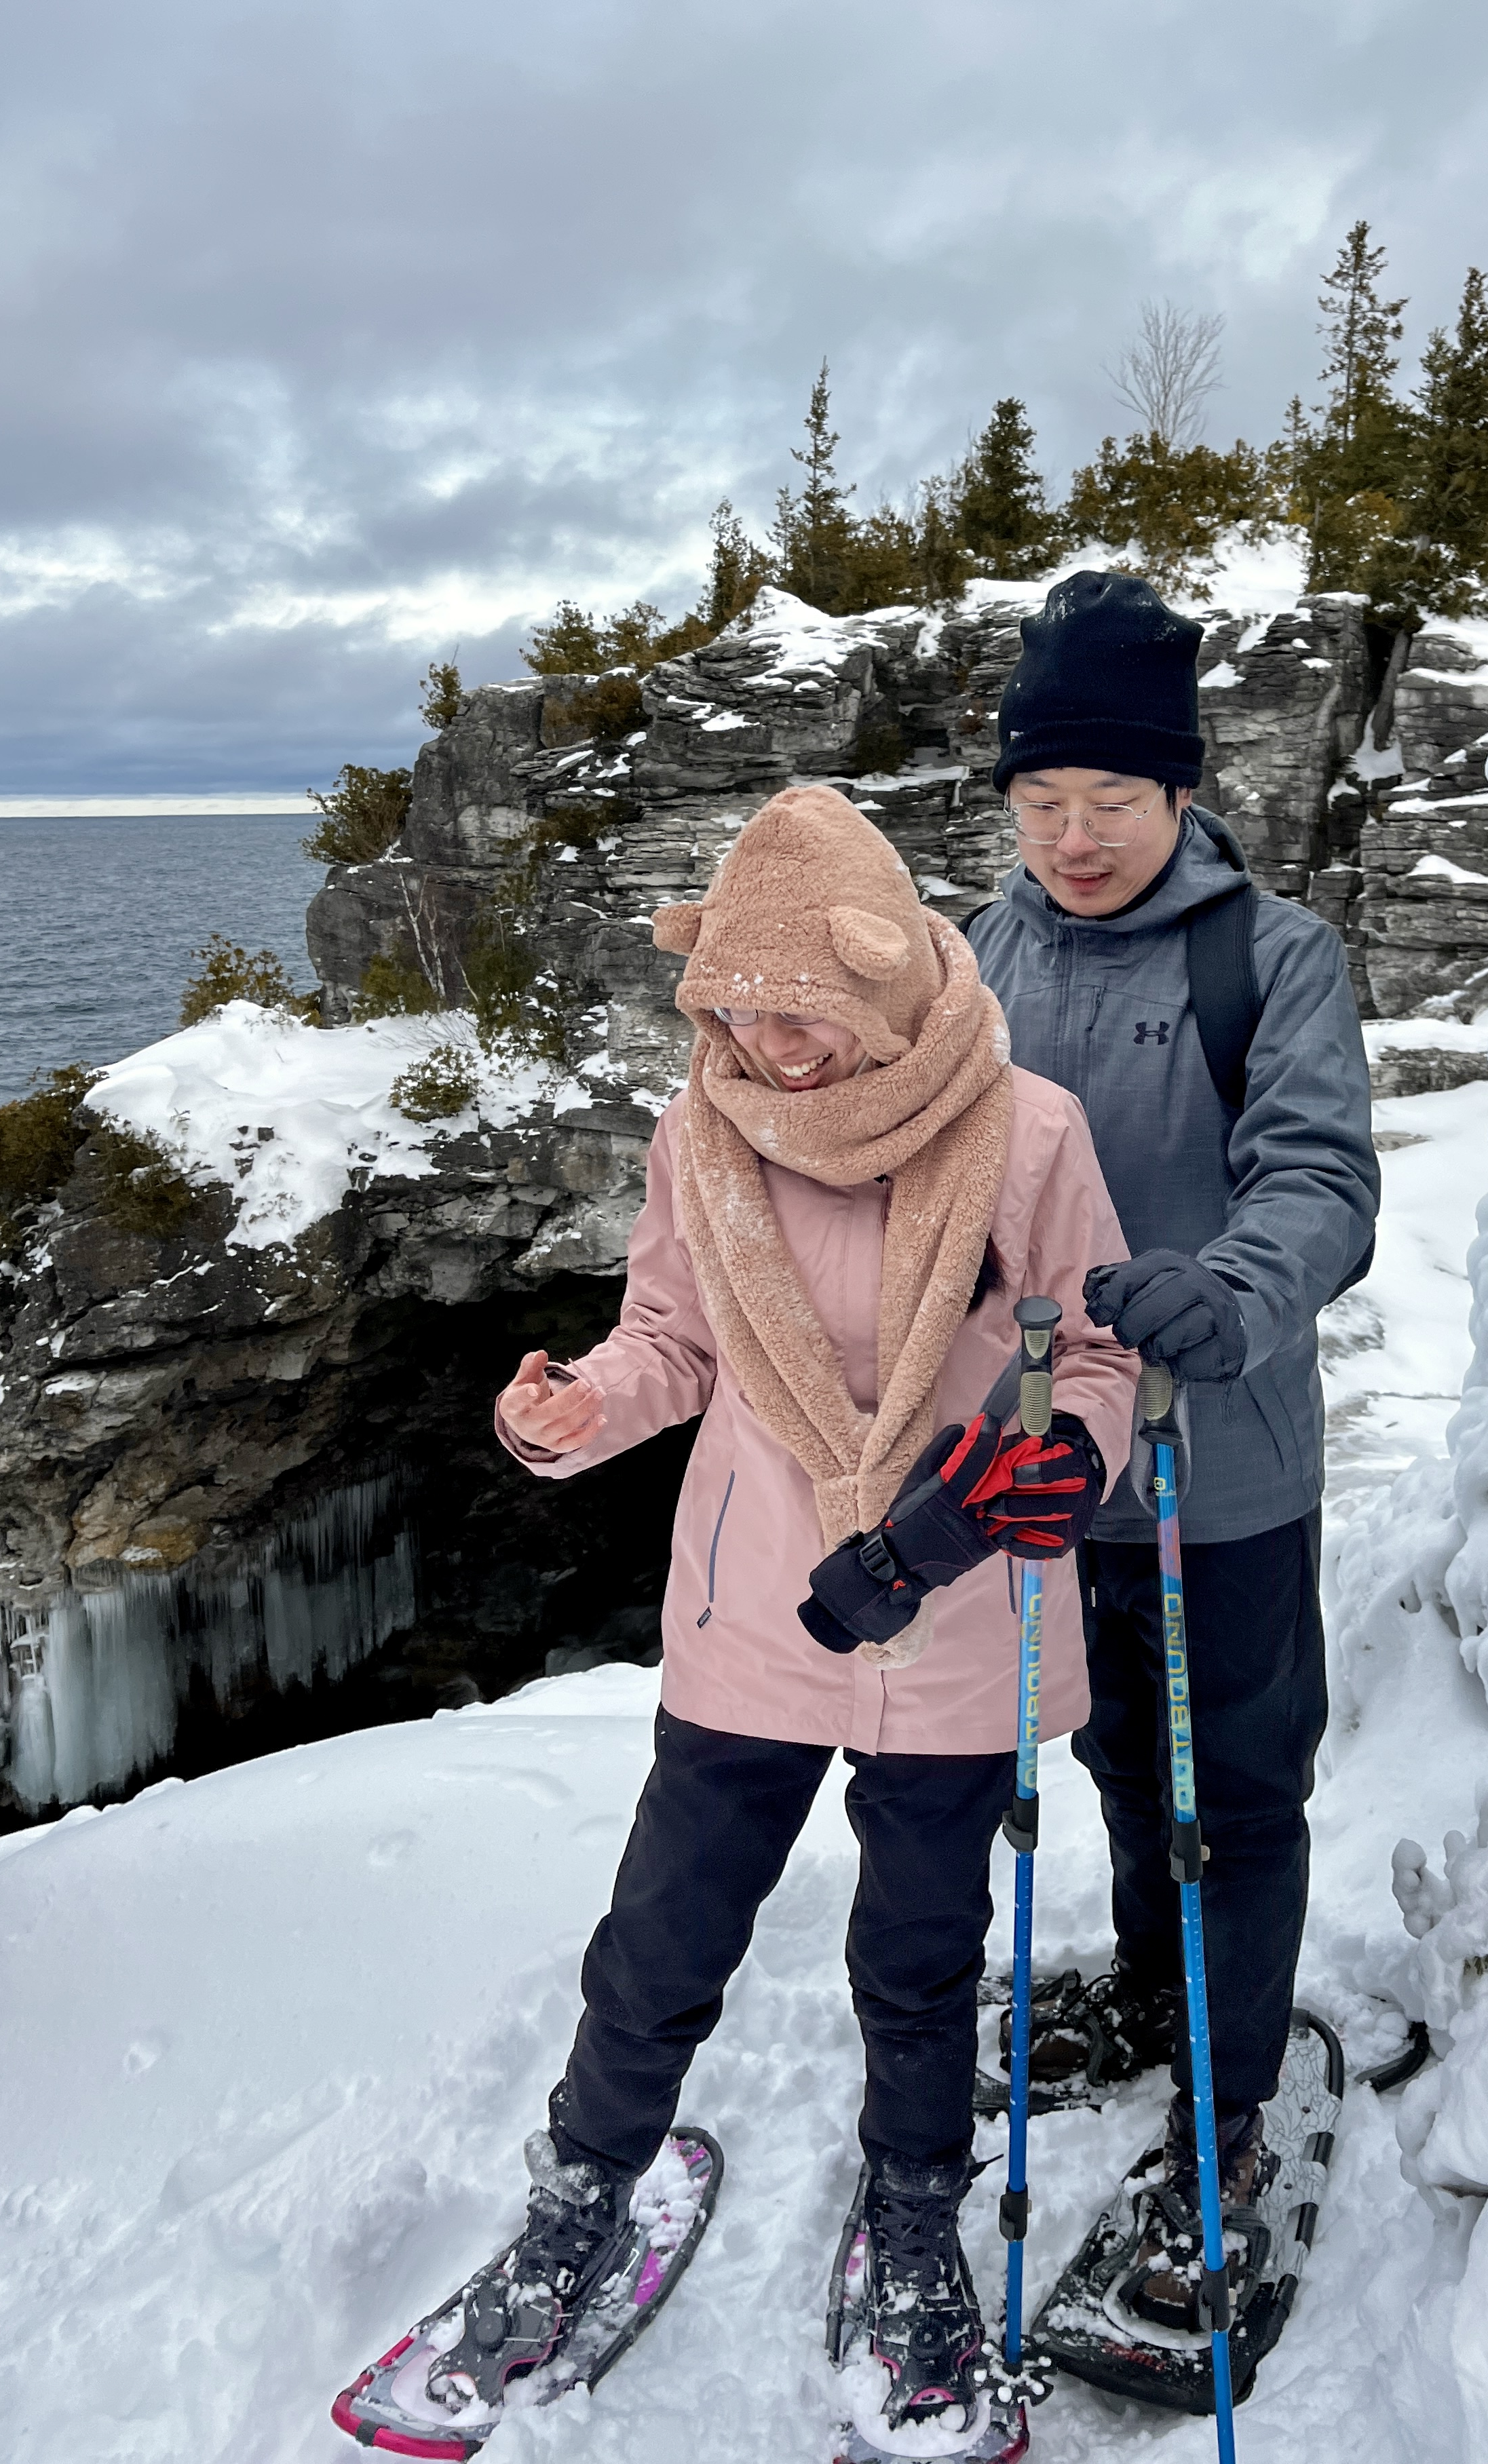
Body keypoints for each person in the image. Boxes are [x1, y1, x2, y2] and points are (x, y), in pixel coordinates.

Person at [446, 784, 1136, 2438]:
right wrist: (578, 1412)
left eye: (802, 1009)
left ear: (885, 978)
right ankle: (579, 2197)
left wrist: (1072, 1462)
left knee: (921, 1955)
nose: (769, 1043)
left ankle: (914, 2226)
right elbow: (671, 1339)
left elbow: (1095, 1357)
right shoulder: (703, 1133)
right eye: (736, 1010)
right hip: (756, 1609)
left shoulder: (1025, 1131)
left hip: (956, 1602)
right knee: (665, 1933)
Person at [968, 569, 1379, 2325]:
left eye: (1111, 801)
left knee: (1240, 1785)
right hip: (1046, 1461)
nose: (1073, 836)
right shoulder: (973, 957)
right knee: (1121, 1754)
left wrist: (1237, 1284)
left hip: (1224, 1462)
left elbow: (1324, 1181)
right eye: (1042, 801)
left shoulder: (1268, 958)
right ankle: (1158, 1991)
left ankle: (1230, 2110)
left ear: (1184, 794)